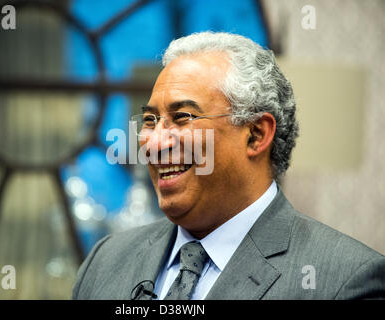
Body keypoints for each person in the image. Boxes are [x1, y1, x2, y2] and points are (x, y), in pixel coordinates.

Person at [72, 32, 385, 300]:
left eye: (182, 118)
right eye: (151, 120)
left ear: (256, 134)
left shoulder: (344, 281)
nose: (154, 143)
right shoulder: (105, 260)